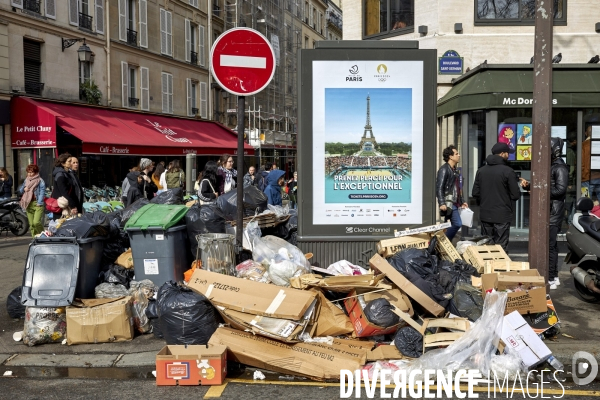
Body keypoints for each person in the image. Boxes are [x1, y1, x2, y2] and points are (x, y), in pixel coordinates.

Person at [520, 137, 569, 289]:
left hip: (554, 211)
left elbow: (560, 189)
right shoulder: (552, 166)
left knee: (550, 245)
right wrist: (532, 187)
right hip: (549, 209)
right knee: (548, 244)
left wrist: (539, 191)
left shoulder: (559, 167)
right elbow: (548, 186)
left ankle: (553, 277)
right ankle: (550, 275)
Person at [472, 143, 521, 251]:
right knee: (501, 247)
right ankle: (499, 267)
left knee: (486, 246)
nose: (508, 156)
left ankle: (487, 267)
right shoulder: (508, 171)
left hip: (485, 214)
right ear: (502, 153)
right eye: (507, 153)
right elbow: (515, 195)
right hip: (502, 215)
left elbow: (475, 192)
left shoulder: (481, 171)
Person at [436, 145, 468, 241]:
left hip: (454, 202)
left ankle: (445, 246)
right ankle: (443, 243)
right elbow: (439, 187)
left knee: (448, 225)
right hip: (449, 202)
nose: (459, 155)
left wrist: (462, 201)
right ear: (450, 156)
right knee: (457, 223)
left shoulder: (455, 170)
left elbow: (458, 189)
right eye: (456, 154)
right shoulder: (444, 169)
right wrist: (442, 203)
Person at [18, 164, 46, 237]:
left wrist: (39, 202)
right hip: (28, 203)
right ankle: (35, 239)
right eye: (28, 172)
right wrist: (24, 188)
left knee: (36, 222)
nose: (29, 174)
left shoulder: (40, 181)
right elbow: (20, 191)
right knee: (31, 224)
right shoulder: (26, 180)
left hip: (37, 203)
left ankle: (43, 236)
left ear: (36, 172)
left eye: (31, 172)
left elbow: (42, 193)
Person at [51, 153, 77, 219]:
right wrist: (72, 205)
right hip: (61, 206)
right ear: (63, 164)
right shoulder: (60, 175)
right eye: (69, 161)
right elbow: (64, 192)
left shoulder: (67, 173)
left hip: (65, 205)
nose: (71, 163)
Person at [582, 125, 600, 200]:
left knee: (585, 202)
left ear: (586, 133)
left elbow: (580, 163)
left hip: (585, 178)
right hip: (598, 177)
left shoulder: (583, 145)